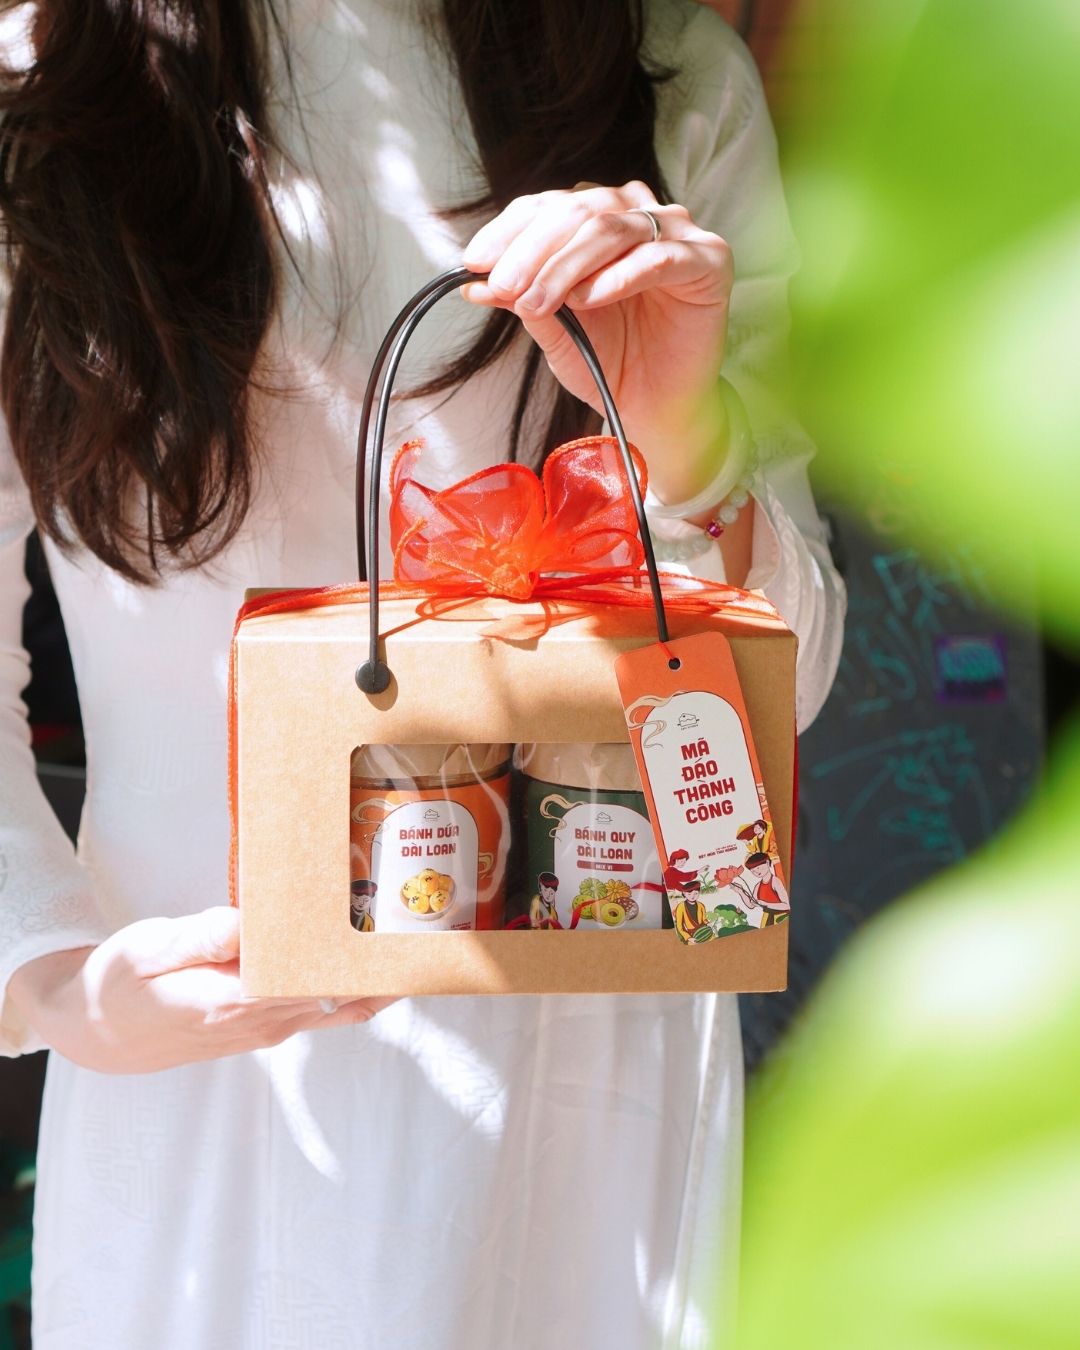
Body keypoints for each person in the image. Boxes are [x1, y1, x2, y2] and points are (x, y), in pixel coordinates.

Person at [0, 2, 844, 1345]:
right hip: (203, 1040)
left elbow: (782, 678)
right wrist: (50, 974)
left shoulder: (662, 68)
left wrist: (686, 436)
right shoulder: (42, 97)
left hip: (585, 1043)